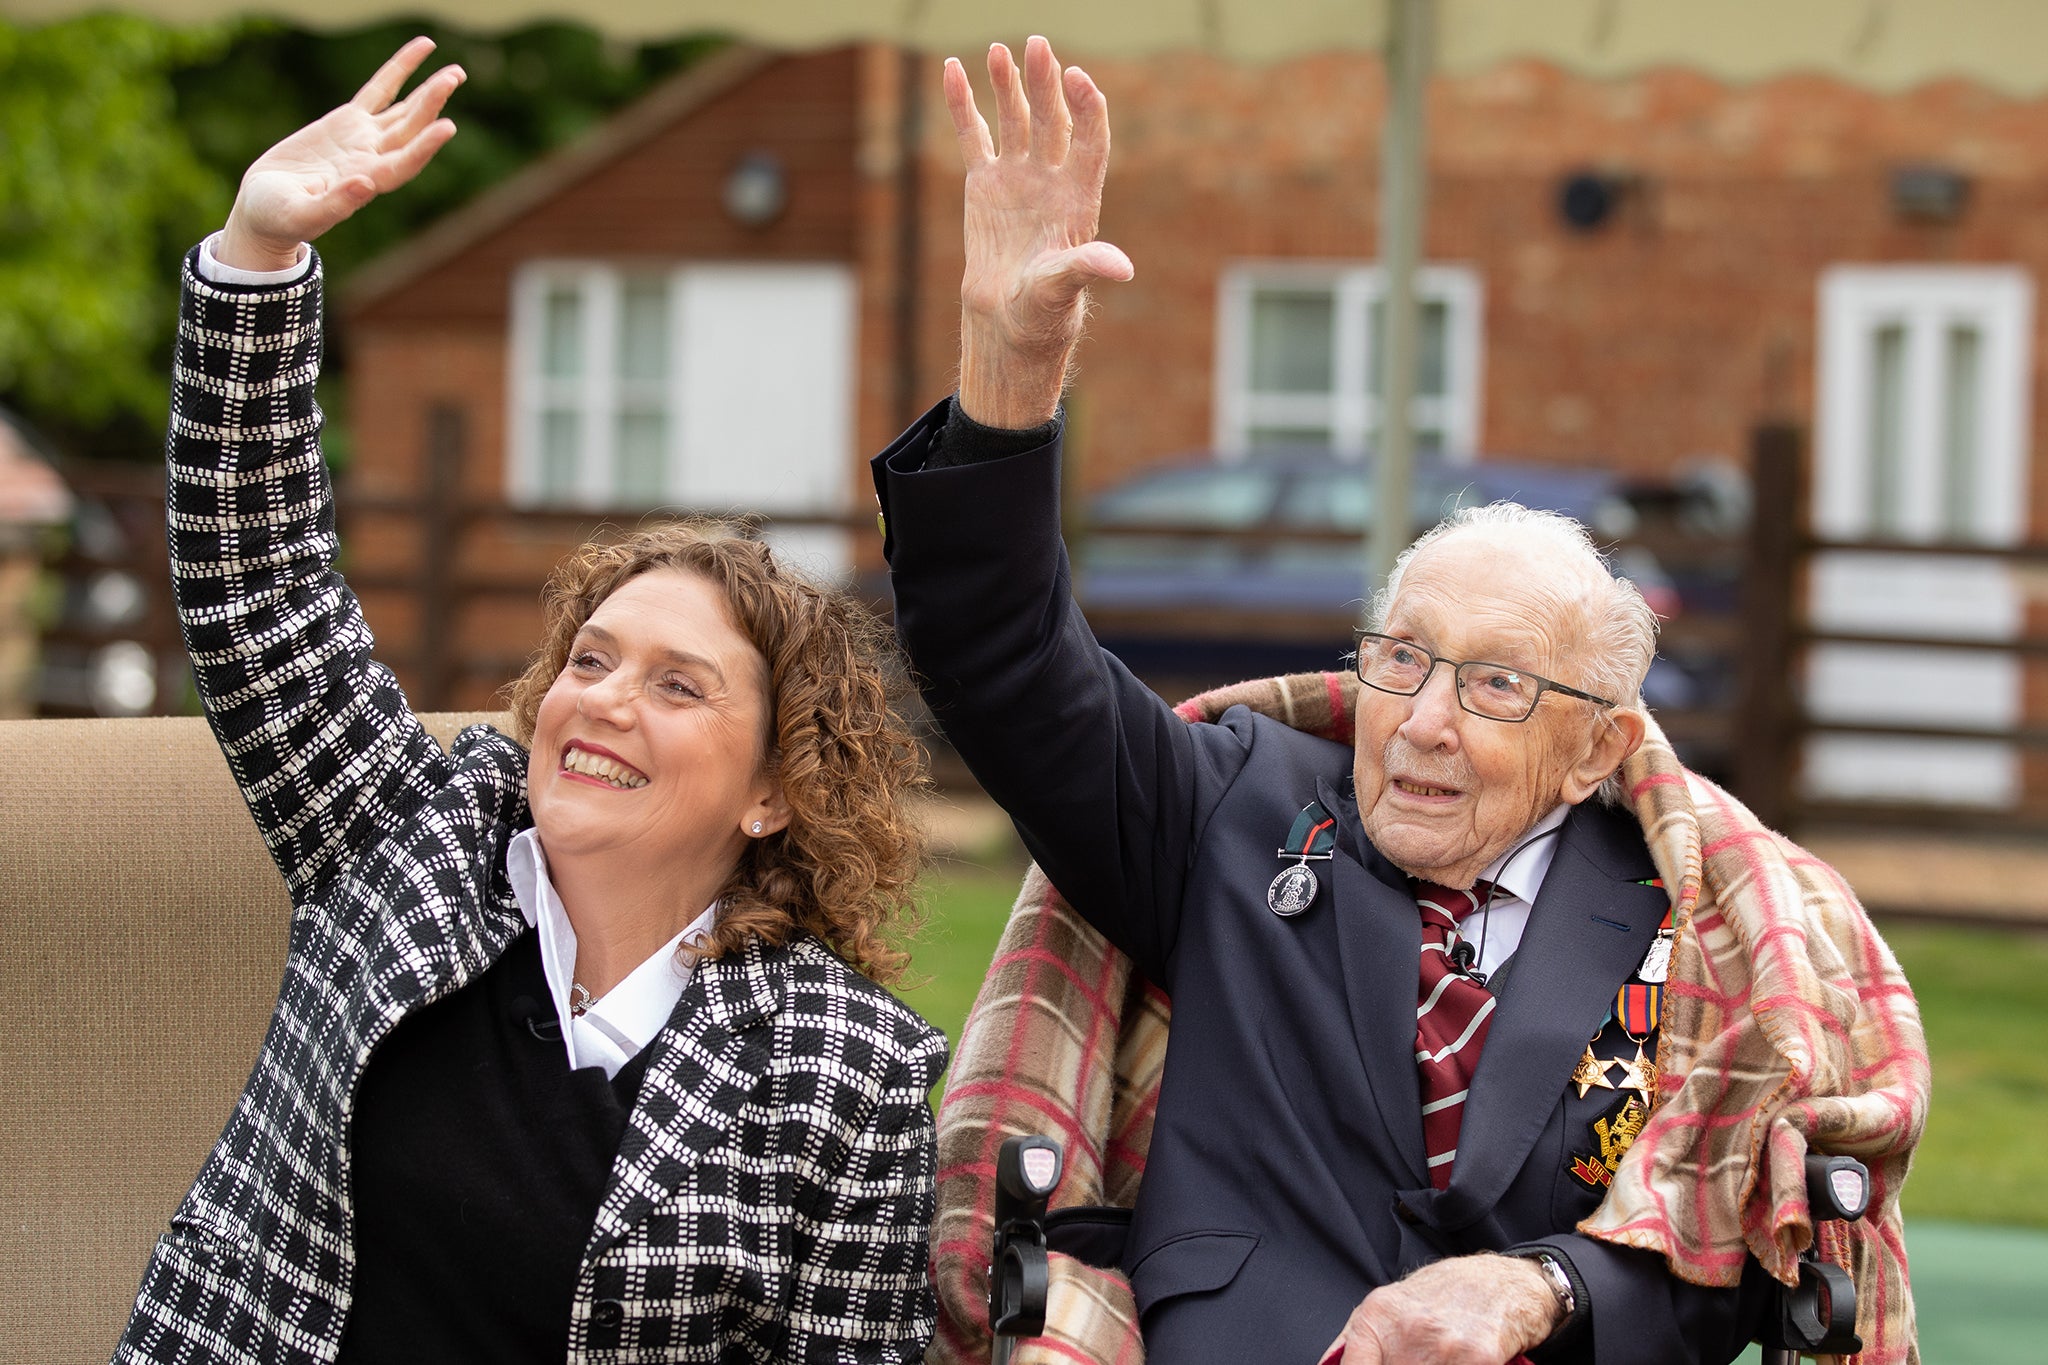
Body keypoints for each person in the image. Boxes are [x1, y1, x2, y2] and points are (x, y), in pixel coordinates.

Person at [873, 36, 1925, 1365]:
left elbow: (1732, 1268)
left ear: (1591, 744)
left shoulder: (1695, 917)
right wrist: (1009, 373)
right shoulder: (1231, 807)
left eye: (1494, 684)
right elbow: (1001, 655)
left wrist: (1546, 1285)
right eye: (1402, 660)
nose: (1424, 720)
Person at [116, 39, 944, 1365]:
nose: (605, 701)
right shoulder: (402, 834)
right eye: (593, 658)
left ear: (772, 785)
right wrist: (257, 256)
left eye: (679, 685)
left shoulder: (848, 1072)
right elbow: (260, 587)